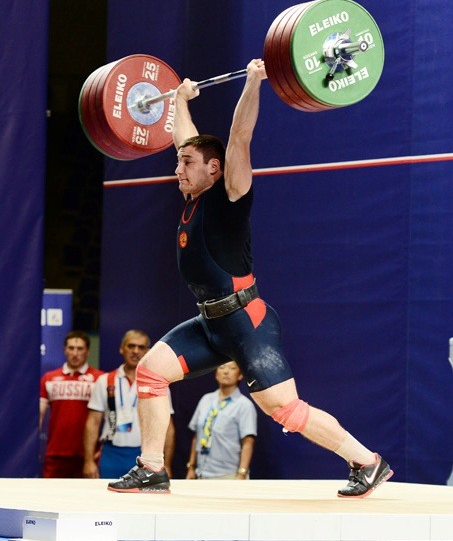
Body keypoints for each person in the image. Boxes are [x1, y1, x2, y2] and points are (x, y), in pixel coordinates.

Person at [108, 59, 393, 497]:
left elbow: (239, 137)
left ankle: (367, 462)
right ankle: (151, 468)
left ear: (215, 168)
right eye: (179, 161)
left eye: (186, 163)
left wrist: (254, 82)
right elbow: (188, 140)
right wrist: (179, 101)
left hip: (248, 323)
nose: (178, 168)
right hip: (211, 324)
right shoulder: (196, 192)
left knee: (285, 410)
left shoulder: (230, 196)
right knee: (150, 373)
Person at [83, 329, 176, 479]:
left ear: (148, 352)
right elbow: (92, 423)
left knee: (143, 495)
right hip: (111, 453)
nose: (135, 351)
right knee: (106, 494)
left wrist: (168, 464)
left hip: (144, 455)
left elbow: (167, 427)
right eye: (131, 346)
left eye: (141, 347)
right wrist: (88, 461)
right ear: (122, 349)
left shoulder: (157, 384)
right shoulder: (104, 381)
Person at [39, 330, 104, 478]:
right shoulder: (49, 378)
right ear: (65, 350)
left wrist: (104, 449)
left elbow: (110, 416)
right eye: (71, 348)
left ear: (87, 351)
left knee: (86, 493)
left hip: (88, 455)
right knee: (51, 492)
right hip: (55, 453)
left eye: (80, 349)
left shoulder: (99, 379)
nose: (75, 353)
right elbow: (39, 416)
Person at [186, 361, 257, 480]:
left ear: (240, 375)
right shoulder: (206, 400)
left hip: (228, 475)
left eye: (232, 368)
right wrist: (191, 467)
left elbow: (248, 442)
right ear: (216, 373)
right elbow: (197, 436)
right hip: (201, 473)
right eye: (221, 367)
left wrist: (241, 474)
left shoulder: (244, 405)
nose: (226, 371)